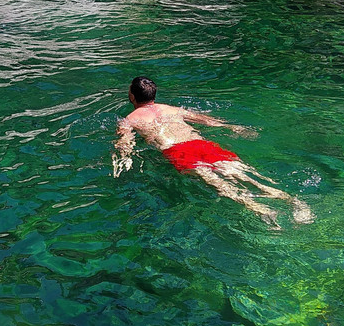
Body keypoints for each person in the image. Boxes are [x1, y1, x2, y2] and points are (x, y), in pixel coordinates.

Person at [113, 76, 314, 227]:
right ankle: (293, 201)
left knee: (220, 184)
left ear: (132, 95)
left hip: (177, 151)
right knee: (246, 174)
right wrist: (232, 127)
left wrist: (124, 159)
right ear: (153, 94)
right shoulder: (173, 109)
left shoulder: (130, 119)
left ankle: (262, 210)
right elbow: (206, 120)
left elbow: (125, 143)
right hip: (201, 143)